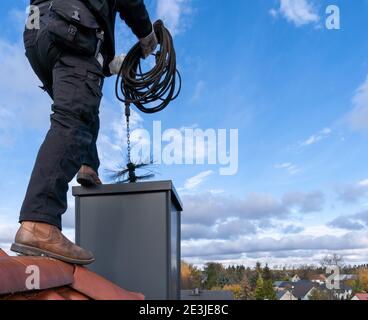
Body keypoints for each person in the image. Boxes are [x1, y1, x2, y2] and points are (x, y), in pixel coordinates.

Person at [11, 0, 157, 265]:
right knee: (74, 118)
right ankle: (39, 223)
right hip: (71, 26)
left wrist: (109, 62)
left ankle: (88, 166)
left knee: (82, 106)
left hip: (37, 32)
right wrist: (146, 34)